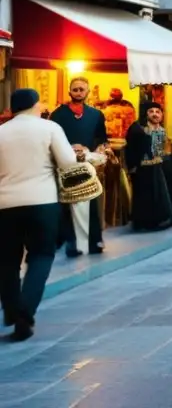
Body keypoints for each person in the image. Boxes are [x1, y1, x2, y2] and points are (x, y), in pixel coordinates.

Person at [0, 89, 78, 342]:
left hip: (5, 204)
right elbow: (68, 163)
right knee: (41, 255)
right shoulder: (49, 128)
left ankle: (11, 311)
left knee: (7, 261)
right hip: (42, 201)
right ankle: (25, 312)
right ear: (35, 105)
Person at [49, 76, 109, 257]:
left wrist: (100, 149)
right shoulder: (57, 114)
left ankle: (94, 242)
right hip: (65, 164)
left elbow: (102, 139)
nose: (78, 92)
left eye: (82, 89)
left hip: (87, 164)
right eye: (75, 89)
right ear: (69, 92)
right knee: (66, 203)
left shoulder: (96, 115)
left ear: (88, 92)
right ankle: (70, 242)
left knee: (90, 200)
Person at [124, 102, 172, 232]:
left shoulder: (162, 130)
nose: (155, 114)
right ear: (146, 114)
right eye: (151, 111)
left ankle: (160, 220)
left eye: (157, 112)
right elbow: (130, 149)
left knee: (159, 194)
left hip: (157, 167)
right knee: (144, 196)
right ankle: (143, 223)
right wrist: (132, 166)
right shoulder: (138, 129)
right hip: (143, 168)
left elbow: (163, 151)